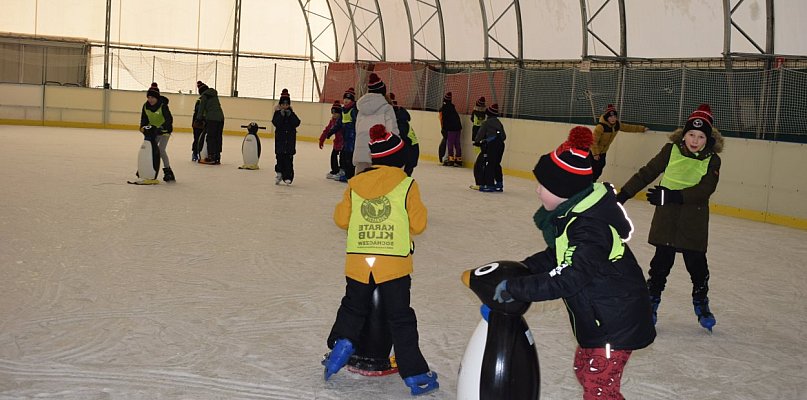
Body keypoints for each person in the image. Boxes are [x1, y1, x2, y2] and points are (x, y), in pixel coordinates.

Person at [492, 126, 655, 400]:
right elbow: (558, 256)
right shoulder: (576, 218)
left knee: (598, 385)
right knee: (585, 370)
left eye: (543, 186)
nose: (537, 191)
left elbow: (570, 277)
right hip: (602, 316)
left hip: (614, 322)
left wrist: (518, 289)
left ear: (564, 191)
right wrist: (524, 268)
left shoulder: (590, 227)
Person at [324, 124, 439, 396]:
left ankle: (342, 342)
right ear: (399, 159)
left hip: (360, 261)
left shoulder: (355, 184)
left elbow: (341, 220)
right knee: (400, 318)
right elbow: (419, 224)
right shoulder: (407, 185)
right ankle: (415, 375)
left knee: (353, 307)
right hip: (394, 264)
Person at [615, 104, 723, 332]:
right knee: (660, 265)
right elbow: (647, 172)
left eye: (700, 136)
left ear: (708, 138)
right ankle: (650, 304)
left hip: (693, 221)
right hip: (667, 219)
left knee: (697, 267)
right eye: (691, 134)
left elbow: (705, 190)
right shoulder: (670, 150)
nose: (694, 140)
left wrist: (673, 195)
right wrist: (623, 195)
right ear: (684, 134)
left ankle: (701, 304)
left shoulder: (712, 160)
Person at [355, 73, 398, 174]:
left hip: (361, 153)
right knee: (377, 185)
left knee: (360, 185)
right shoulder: (387, 108)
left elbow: (357, 129)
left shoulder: (361, 109)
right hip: (380, 153)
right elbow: (393, 131)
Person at [591, 104, 648, 181]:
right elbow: (593, 141)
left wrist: (642, 129)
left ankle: (592, 183)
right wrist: (595, 153)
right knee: (593, 169)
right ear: (607, 117)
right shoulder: (601, 127)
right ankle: (588, 184)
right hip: (593, 152)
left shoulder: (617, 125)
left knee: (600, 168)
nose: (613, 119)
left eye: (614, 117)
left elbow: (628, 127)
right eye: (610, 117)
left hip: (603, 152)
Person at [140, 82, 175, 181]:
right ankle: (147, 168)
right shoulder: (145, 106)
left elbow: (169, 119)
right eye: (149, 97)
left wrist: (162, 128)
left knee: (161, 150)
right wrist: (142, 127)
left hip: (164, 131)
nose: (150, 100)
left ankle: (168, 170)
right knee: (149, 149)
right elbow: (144, 119)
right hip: (153, 131)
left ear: (157, 98)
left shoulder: (163, 106)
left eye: (152, 98)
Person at [472, 103, 505, 192]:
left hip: (492, 146)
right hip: (501, 145)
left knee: (489, 164)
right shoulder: (499, 123)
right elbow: (504, 136)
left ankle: (489, 185)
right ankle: (499, 184)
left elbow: (480, 134)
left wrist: (477, 141)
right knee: (496, 164)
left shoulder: (486, 123)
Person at [271, 88, 301, 185]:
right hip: (280, 141)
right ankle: (279, 174)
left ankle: (288, 176)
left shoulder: (291, 114)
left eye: (286, 104)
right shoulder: (277, 113)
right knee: (279, 158)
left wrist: (290, 116)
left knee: (288, 159)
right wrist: (281, 116)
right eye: (283, 104)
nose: (285, 106)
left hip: (289, 142)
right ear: (280, 105)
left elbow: (297, 122)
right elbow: (275, 123)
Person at [390, 93, 419, 176]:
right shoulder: (401, 120)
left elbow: (402, 140)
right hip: (410, 154)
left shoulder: (401, 124)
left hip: (409, 155)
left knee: (402, 179)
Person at [196, 81, 225, 165]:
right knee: (218, 137)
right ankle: (217, 156)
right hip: (221, 118)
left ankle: (211, 156)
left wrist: (198, 119)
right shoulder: (214, 95)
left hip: (212, 119)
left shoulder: (204, 96)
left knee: (211, 137)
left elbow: (201, 109)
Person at [319, 101, 344, 180]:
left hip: (343, 142)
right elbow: (327, 130)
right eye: (333, 113)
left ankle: (341, 171)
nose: (334, 115)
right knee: (333, 156)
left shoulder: (342, 121)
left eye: (336, 113)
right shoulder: (332, 120)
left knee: (342, 158)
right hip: (337, 142)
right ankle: (335, 170)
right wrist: (321, 139)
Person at [438, 92, 462, 166]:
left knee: (450, 144)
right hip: (458, 128)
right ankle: (458, 159)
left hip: (451, 129)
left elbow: (444, 120)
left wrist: (444, 129)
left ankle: (450, 159)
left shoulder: (444, 109)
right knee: (457, 143)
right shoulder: (452, 108)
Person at [191, 93, 203, 162]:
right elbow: (198, 112)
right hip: (197, 123)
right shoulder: (200, 101)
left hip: (200, 123)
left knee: (200, 139)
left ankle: (198, 153)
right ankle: (195, 153)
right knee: (197, 139)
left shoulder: (201, 101)